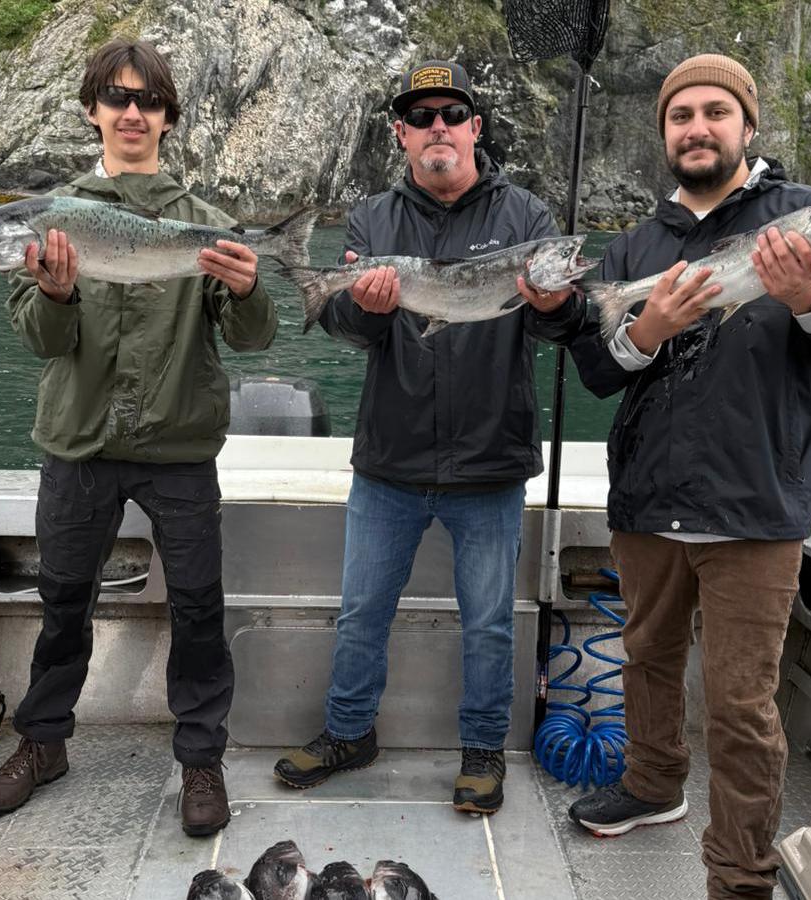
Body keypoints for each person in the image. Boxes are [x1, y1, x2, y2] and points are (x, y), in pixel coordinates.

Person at [564, 54, 811, 899]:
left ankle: (741, 876)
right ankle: (652, 784)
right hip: (648, 500)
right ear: (665, 136)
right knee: (644, 656)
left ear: (747, 127)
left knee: (741, 707)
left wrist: (809, 298)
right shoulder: (635, 246)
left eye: (716, 111)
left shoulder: (806, 223)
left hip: (755, 508)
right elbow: (599, 372)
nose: (698, 127)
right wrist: (643, 333)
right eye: (681, 116)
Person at [0, 38, 277, 837]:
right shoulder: (51, 219)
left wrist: (247, 290)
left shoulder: (205, 225)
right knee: (62, 603)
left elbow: (250, 339)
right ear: (93, 111)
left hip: (178, 446)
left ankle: (201, 758)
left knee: (201, 609)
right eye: (116, 97)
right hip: (78, 441)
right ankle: (42, 743)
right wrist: (57, 295)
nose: (131, 112)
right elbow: (40, 343)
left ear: (168, 118)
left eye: (146, 100)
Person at [272, 60, 583, 814]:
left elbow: (563, 326)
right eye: (421, 117)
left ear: (475, 127)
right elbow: (348, 327)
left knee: (487, 624)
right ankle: (349, 731)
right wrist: (366, 307)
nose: (436, 126)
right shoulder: (374, 219)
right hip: (391, 457)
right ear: (401, 135)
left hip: (492, 458)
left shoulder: (531, 221)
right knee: (361, 612)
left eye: (451, 113)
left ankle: (482, 750)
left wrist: (553, 300)